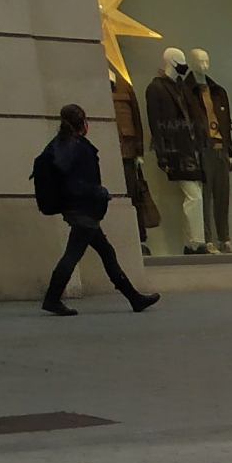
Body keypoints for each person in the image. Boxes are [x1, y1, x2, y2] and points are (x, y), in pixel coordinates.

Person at [37, 104, 159, 315]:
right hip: (84, 211)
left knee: (106, 253)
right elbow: (81, 183)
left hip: (74, 210)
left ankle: (134, 298)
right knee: (73, 255)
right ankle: (52, 299)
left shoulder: (58, 145)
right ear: (83, 123)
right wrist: (100, 193)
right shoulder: (80, 148)